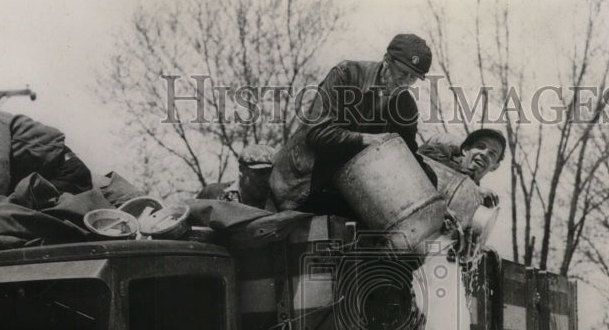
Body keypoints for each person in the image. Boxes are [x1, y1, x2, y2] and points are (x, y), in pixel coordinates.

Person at [269, 33, 435, 214]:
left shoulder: (406, 106)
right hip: (300, 188)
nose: (405, 82)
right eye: (402, 73)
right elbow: (317, 132)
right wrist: (365, 139)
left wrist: (436, 196)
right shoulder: (346, 75)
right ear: (387, 61)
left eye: (413, 78)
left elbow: (407, 156)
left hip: (345, 194)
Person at [419, 128, 505, 205]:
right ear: (466, 150)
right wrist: (470, 188)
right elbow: (424, 157)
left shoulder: (477, 198)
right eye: (480, 146)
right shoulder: (444, 150)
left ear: (495, 167)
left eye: (492, 154)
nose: (485, 154)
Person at [197, 144, 276, 209]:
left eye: (270, 173)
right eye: (259, 172)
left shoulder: (277, 204)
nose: (265, 178)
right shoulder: (213, 194)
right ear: (241, 170)